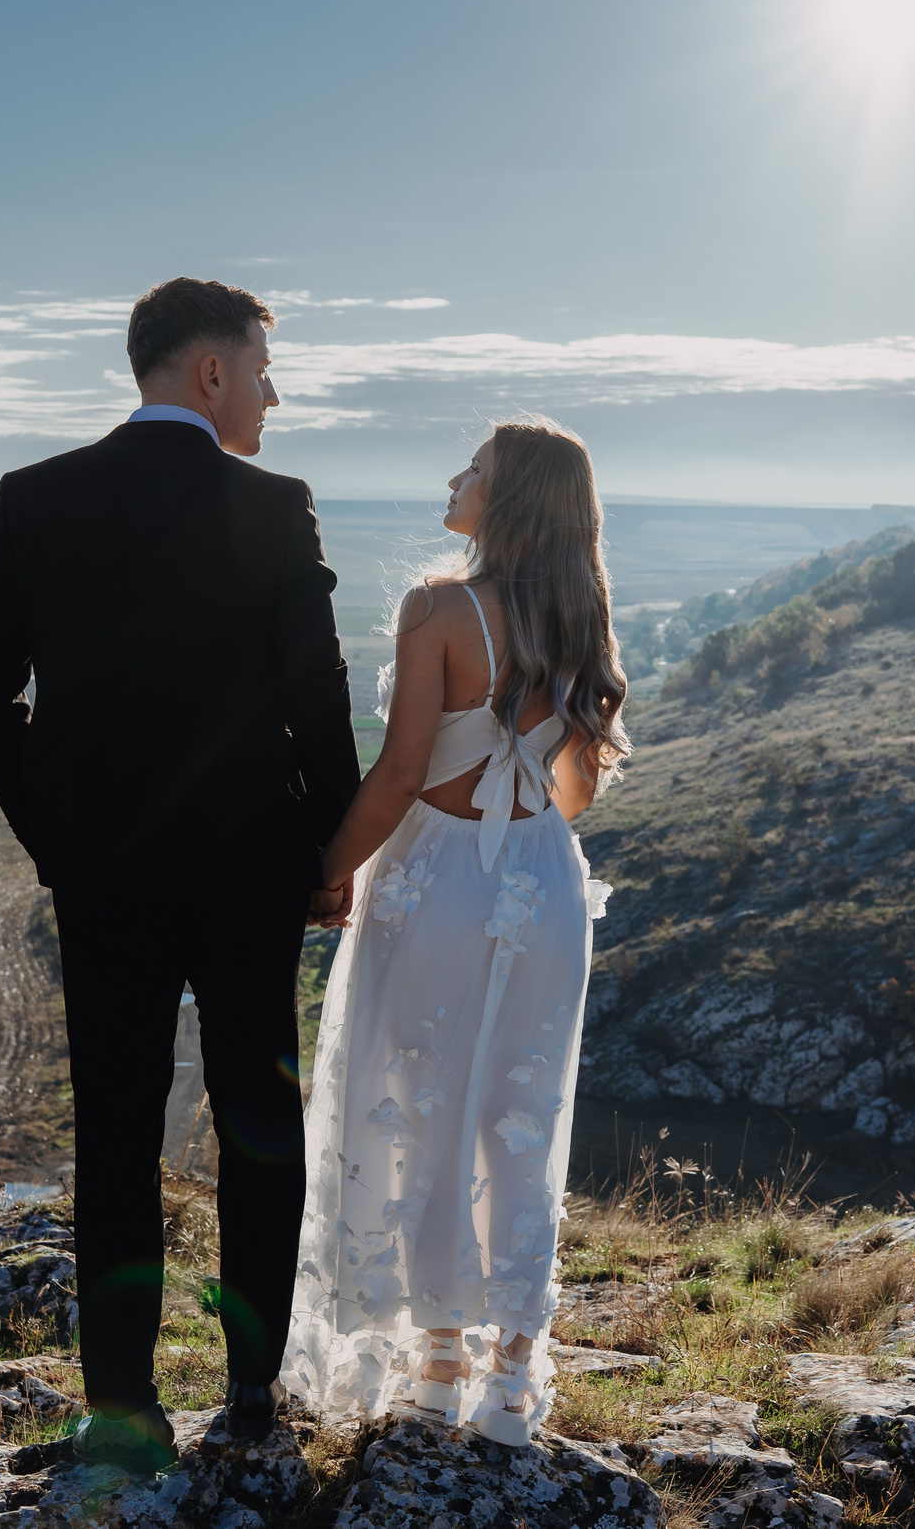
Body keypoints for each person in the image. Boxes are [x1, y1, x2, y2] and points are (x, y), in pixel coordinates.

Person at [0, 277, 360, 1476]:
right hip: (251, 869)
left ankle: (123, 1409)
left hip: (105, 876)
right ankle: (248, 1396)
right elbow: (317, 702)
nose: (274, 398)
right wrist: (331, 849)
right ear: (211, 374)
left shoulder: (36, 498)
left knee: (117, 1130)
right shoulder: (277, 505)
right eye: (264, 371)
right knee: (257, 1125)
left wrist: (54, 832)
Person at [281, 419, 627, 1446]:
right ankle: (511, 1376)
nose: (453, 478)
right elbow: (570, 793)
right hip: (541, 884)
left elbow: (398, 777)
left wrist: (326, 871)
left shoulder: (437, 607)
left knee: (405, 1101)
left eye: (471, 468)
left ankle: (434, 1365)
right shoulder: (580, 616)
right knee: (517, 1113)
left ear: (508, 495)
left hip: (436, 876)